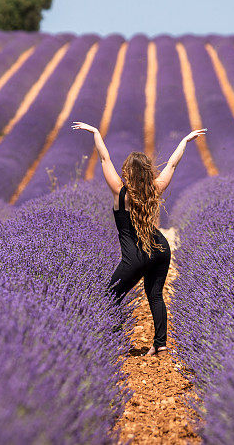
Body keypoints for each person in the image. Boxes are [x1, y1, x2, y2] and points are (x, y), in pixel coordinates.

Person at [72, 121, 207, 356]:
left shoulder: (119, 191)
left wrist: (95, 132)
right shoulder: (155, 189)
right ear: (147, 172)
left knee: (110, 296)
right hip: (160, 249)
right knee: (155, 295)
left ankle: (109, 342)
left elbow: (104, 160)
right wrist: (184, 141)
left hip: (135, 257)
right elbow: (173, 164)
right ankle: (160, 343)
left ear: (127, 172)